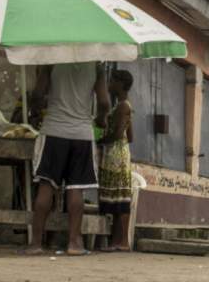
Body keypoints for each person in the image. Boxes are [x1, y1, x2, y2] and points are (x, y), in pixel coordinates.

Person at [28, 62, 110, 256]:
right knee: (76, 190)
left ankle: (36, 243)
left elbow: (38, 95)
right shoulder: (96, 65)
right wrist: (101, 118)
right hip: (82, 134)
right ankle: (74, 243)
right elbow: (105, 102)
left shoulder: (52, 60)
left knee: (46, 186)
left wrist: (35, 112)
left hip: (53, 131)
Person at [97, 70, 134, 252]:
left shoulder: (121, 107)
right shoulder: (125, 105)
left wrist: (101, 140)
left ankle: (120, 242)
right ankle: (120, 241)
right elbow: (131, 136)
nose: (109, 84)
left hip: (115, 155)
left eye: (111, 81)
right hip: (120, 153)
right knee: (119, 198)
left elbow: (119, 134)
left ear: (120, 83)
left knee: (118, 200)